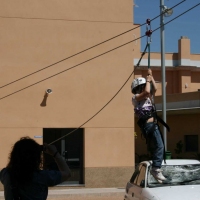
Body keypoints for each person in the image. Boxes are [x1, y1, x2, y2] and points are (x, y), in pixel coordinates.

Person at [0, 136, 71, 199]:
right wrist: (55, 153)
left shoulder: (5, 174)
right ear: (36, 158)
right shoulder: (42, 176)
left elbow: (14, 168)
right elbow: (67, 173)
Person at [131, 69, 166, 183]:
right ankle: (156, 168)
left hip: (152, 125)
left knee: (158, 146)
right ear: (138, 88)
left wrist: (151, 77)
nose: (146, 88)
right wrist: (147, 80)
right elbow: (146, 92)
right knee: (159, 146)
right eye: (144, 86)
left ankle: (156, 169)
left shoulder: (148, 97)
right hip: (148, 125)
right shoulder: (136, 98)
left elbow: (154, 89)